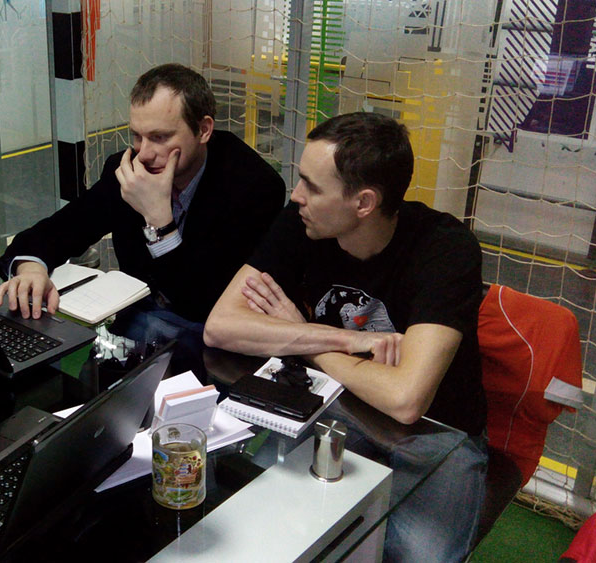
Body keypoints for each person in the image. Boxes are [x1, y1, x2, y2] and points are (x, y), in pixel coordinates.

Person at [204, 112, 487, 561]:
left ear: (364, 203)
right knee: (257, 506)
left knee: (411, 552)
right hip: (337, 405)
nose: (296, 195)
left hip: (436, 433)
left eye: (312, 186)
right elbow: (220, 326)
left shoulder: (445, 248)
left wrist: (307, 339)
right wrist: (342, 340)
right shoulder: (302, 222)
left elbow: (406, 400)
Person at [0, 63, 285, 354]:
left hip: (211, 341)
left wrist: (159, 221)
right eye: (137, 136)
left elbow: (202, 301)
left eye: (160, 137)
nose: (144, 153)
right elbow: (60, 230)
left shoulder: (253, 187)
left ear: (204, 129)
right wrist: (31, 268)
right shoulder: (129, 171)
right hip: (137, 326)